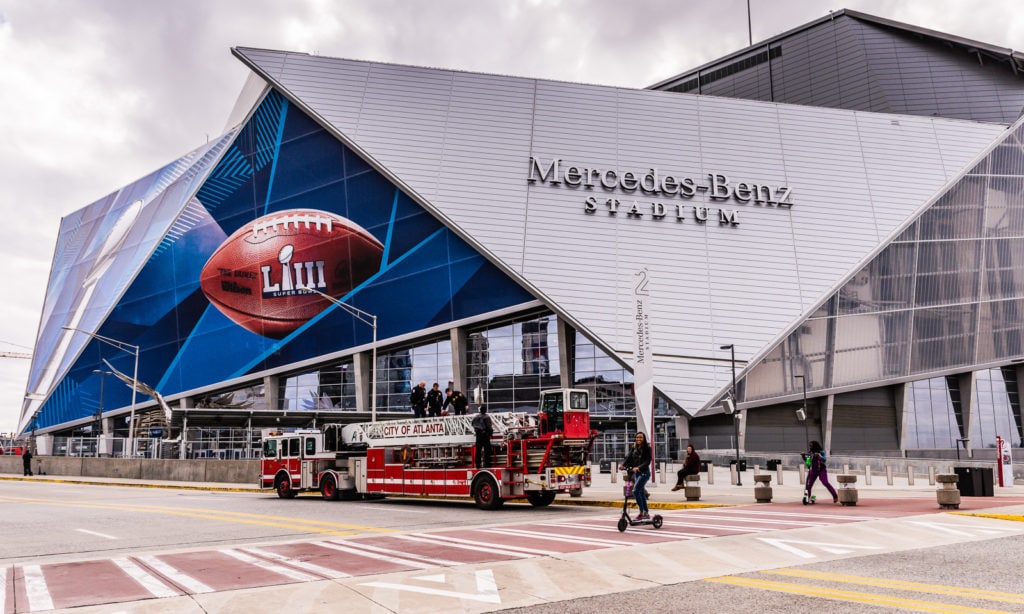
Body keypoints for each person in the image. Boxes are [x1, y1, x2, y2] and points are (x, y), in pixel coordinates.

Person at [622, 432, 652, 521]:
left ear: (644, 438)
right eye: (637, 437)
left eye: (640, 437)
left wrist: (638, 468)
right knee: (641, 493)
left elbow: (648, 461)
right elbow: (629, 458)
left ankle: (642, 512)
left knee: (635, 491)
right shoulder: (634, 447)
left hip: (644, 473)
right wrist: (623, 465)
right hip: (637, 474)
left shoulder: (647, 448)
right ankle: (646, 512)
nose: (638, 439)